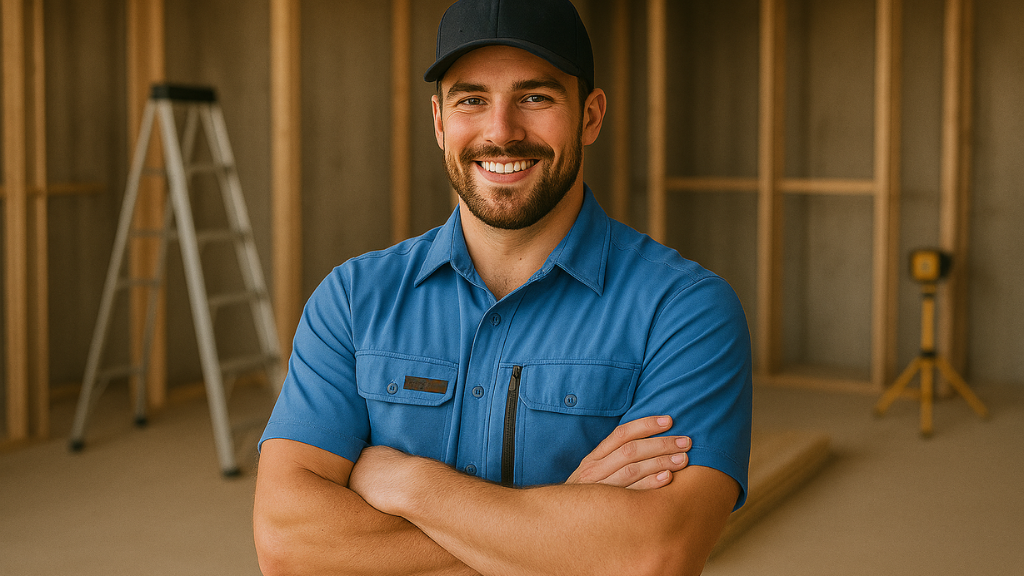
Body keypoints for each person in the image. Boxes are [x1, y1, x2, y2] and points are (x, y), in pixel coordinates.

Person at [253, 0, 752, 574]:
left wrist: (413, 486)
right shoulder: (352, 300)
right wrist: (563, 529)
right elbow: (287, 545)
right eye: (471, 100)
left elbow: (650, 555)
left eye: (535, 97)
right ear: (440, 123)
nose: (501, 132)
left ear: (590, 116)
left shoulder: (685, 312)